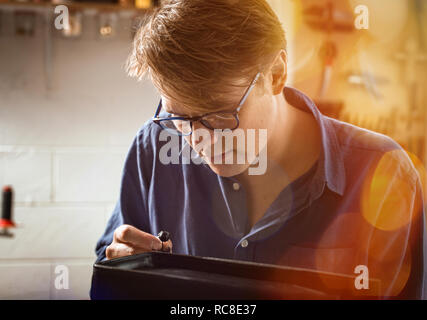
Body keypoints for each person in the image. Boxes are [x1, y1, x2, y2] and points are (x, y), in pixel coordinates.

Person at [94, 0, 426, 299]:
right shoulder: (153, 147)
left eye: (220, 115)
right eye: (179, 118)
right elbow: (110, 277)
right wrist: (125, 269)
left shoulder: (384, 172)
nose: (198, 139)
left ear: (276, 74)